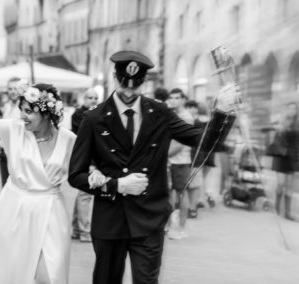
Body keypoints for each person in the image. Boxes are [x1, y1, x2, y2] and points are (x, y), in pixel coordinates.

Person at [68, 50, 238, 284]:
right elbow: (75, 175)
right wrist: (117, 185)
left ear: (144, 81)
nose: (129, 91)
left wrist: (221, 112)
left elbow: (205, 142)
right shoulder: (94, 118)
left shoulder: (160, 113)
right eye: (124, 84)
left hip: (149, 219)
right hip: (110, 221)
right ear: (115, 78)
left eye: (135, 85)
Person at [0, 83, 75, 283]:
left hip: (51, 211)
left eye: (29, 111)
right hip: (15, 208)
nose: (22, 116)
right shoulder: (13, 130)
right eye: (21, 110)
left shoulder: (69, 139)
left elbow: (87, 169)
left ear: (47, 113)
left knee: (50, 275)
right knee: (14, 273)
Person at [71, 88, 99, 242]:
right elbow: (88, 137)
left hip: (91, 158)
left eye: (95, 98)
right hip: (85, 158)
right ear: (84, 99)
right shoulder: (79, 115)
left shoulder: (96, 112)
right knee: (86, 194)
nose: (93, 100)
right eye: (90, 97)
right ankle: (84, 231)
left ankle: (76, 228)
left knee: (82, 192)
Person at [166, 88, 194, 239]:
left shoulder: (186, 117)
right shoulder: (175, 114)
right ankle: (168, 225)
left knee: (182, 194)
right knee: (171, 195)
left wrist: (163, 154)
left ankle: (181, 228)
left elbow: (180, 144)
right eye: (172, 97)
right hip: (173, 162)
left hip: (181, 162)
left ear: (183, 99)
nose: (174, 100)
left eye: (177, 98)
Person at [268, 102, 299, 221]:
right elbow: (276, 140)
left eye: (294, 108)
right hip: (281, 157)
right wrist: (280, 129)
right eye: (290, 108)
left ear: (297, 111)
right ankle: (277, 208)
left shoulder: (298, 125)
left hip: (292, 158)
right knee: (281, 183)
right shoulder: (280, 123)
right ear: (287, 110)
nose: (292, 110)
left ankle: (287, 213)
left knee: (289, 185)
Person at [0, 77, 23, 187]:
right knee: (5, 187)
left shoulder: (24, 107)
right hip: (4, 152)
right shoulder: (7, 106)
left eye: (15, 88)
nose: (12, 91)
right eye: (10, 89)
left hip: (17, 153)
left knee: (16, 188)